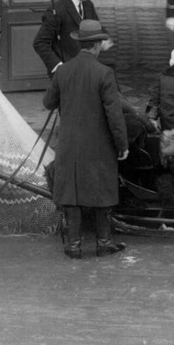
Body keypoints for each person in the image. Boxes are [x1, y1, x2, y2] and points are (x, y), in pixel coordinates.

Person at [42, 19, 130, 259]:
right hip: (98, 144)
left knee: (71, 192)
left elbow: (48, 102)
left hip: (69, 143)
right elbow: (114, 114)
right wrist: (122, 145)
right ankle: (103, 243)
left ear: (82, 43)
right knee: (101, 191)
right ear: (97, 45)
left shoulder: (63, 71)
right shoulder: (104, 73)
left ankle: (73, 246)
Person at [33, 0, 113, 76]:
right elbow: (40, 42)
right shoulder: (57, 10)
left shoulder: (88, 5)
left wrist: (105, 38)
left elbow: (97, 27)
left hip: (87, 68)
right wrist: (58, 66)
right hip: (65, 72)